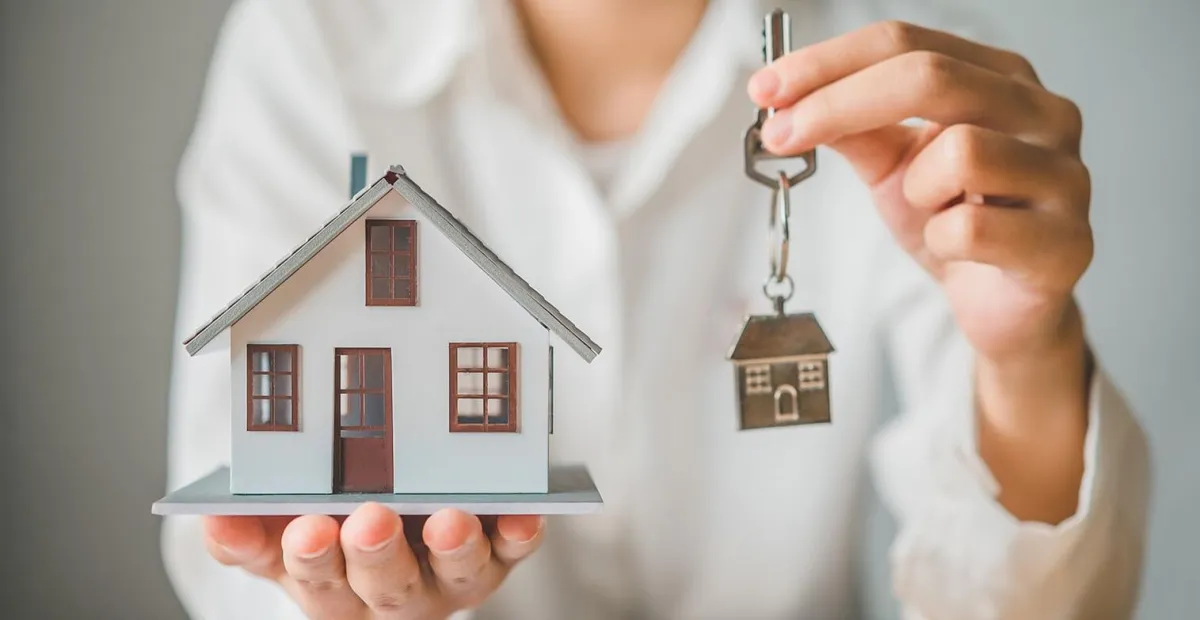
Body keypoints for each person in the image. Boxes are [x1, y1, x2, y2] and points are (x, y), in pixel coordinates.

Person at [162, 0, 1150, 618]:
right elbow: (233, 571)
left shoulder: (924, 72)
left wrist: (1027, 352)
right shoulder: (309, 40)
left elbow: (1037, 606)